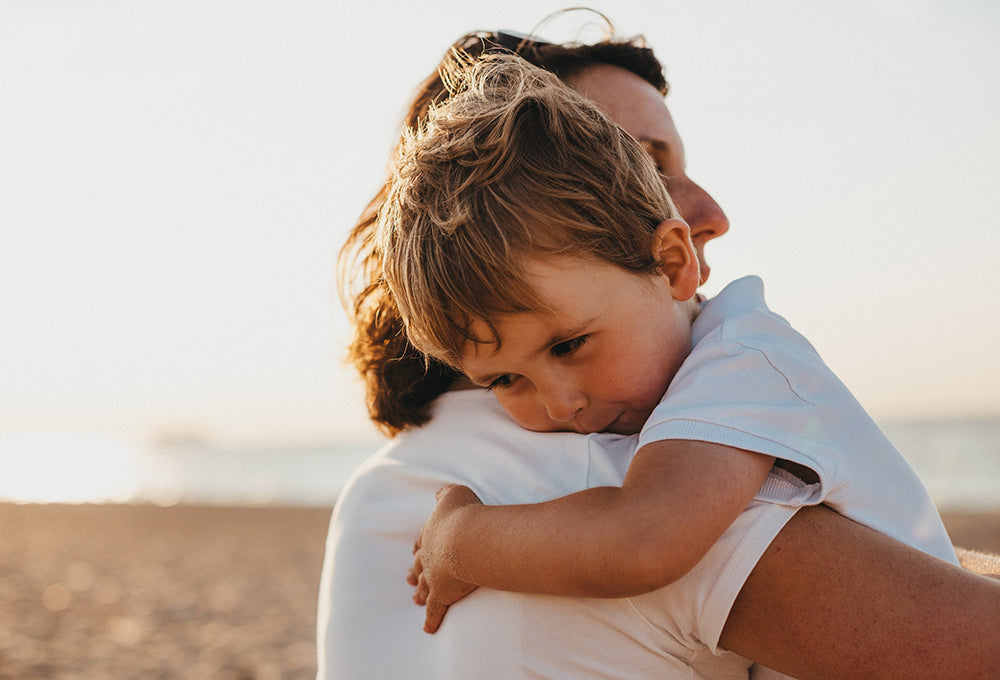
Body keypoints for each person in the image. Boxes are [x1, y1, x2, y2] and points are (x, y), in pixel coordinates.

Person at [319, 25, 1000, 680]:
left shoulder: (386, 488)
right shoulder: (605, 469)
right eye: (641, 162)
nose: (714, 211)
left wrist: (460, 538)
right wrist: (460, 539)